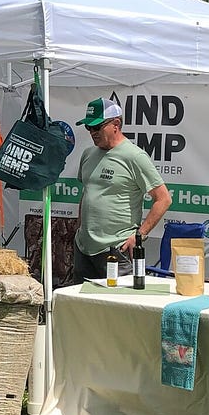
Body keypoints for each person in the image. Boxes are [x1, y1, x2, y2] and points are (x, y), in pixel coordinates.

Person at [70, 98, 171, 280]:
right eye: (88, 128)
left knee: (116, 306)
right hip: (84, 248)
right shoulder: (88, 154)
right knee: (82, 306)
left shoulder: (134, 156)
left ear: (116, 124)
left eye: (96, 127)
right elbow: (87, 193)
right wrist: (80, 229)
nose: (92, 132)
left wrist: (139, 236)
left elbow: (163, 199)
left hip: (116, 249)